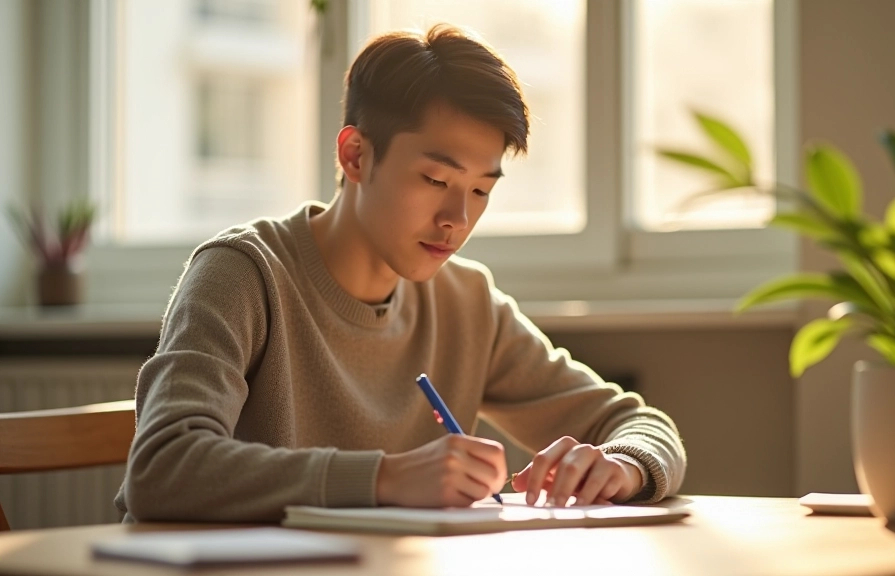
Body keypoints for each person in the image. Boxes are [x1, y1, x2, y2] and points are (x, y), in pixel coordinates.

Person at [115, 24, 685, 522]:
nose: (457, 219)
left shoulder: (466, 301)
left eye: (481, 191)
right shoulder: (242, 274)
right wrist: (384, 479)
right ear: (356, 156)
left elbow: (636, 422)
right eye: (437, 181)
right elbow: (162, 467)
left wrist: (622, 465)